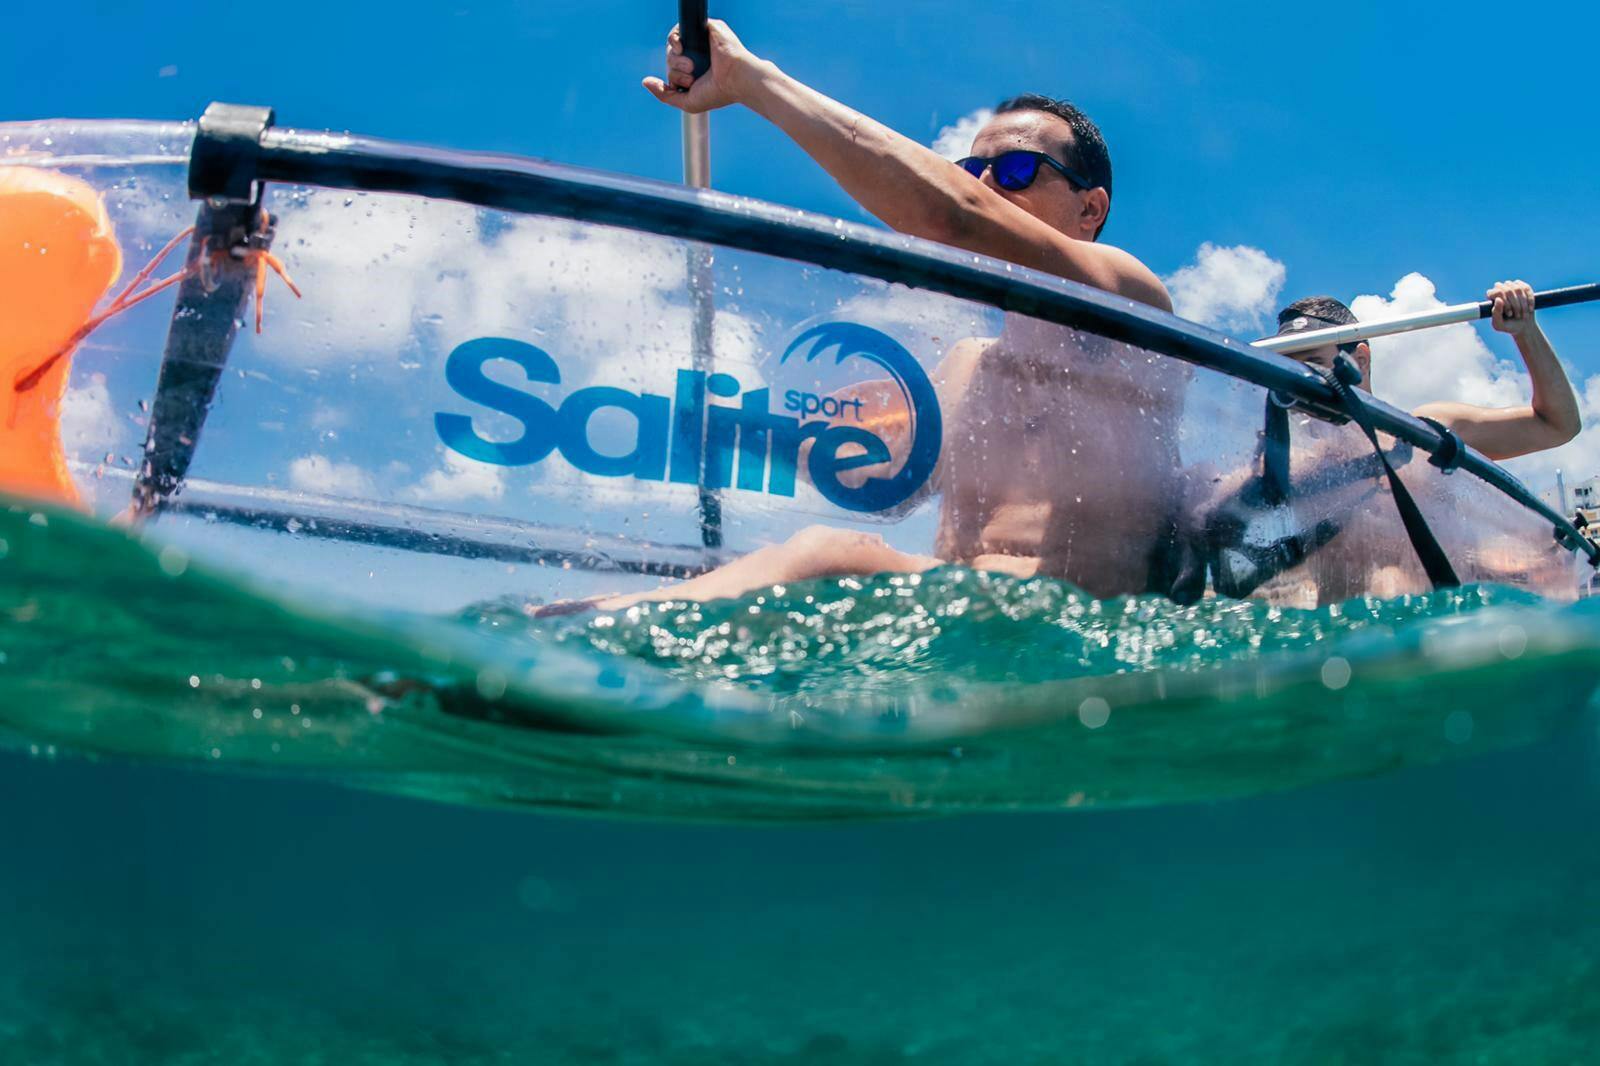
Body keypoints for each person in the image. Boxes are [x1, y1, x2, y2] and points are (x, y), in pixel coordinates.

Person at [555, 20, 1190, 612]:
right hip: (945, 642)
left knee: (830, 555)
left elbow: (954, 216)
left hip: (1083, 636)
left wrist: (752, 82)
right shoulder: (967, 367)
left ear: (1090, 209)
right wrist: (730, 426)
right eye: (974, 170)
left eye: (1019, 169)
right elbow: (874, 475)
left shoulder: (1132, 306)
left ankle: (572, 634)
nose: (990, 183)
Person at [1273, 283, 1580, 460]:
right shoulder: (1279, 461)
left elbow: (1556, 425)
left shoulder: (1423, 432)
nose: (1300, 379)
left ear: (1361, 360)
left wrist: (1525, 331)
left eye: (1313, 363)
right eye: (1288, 366)